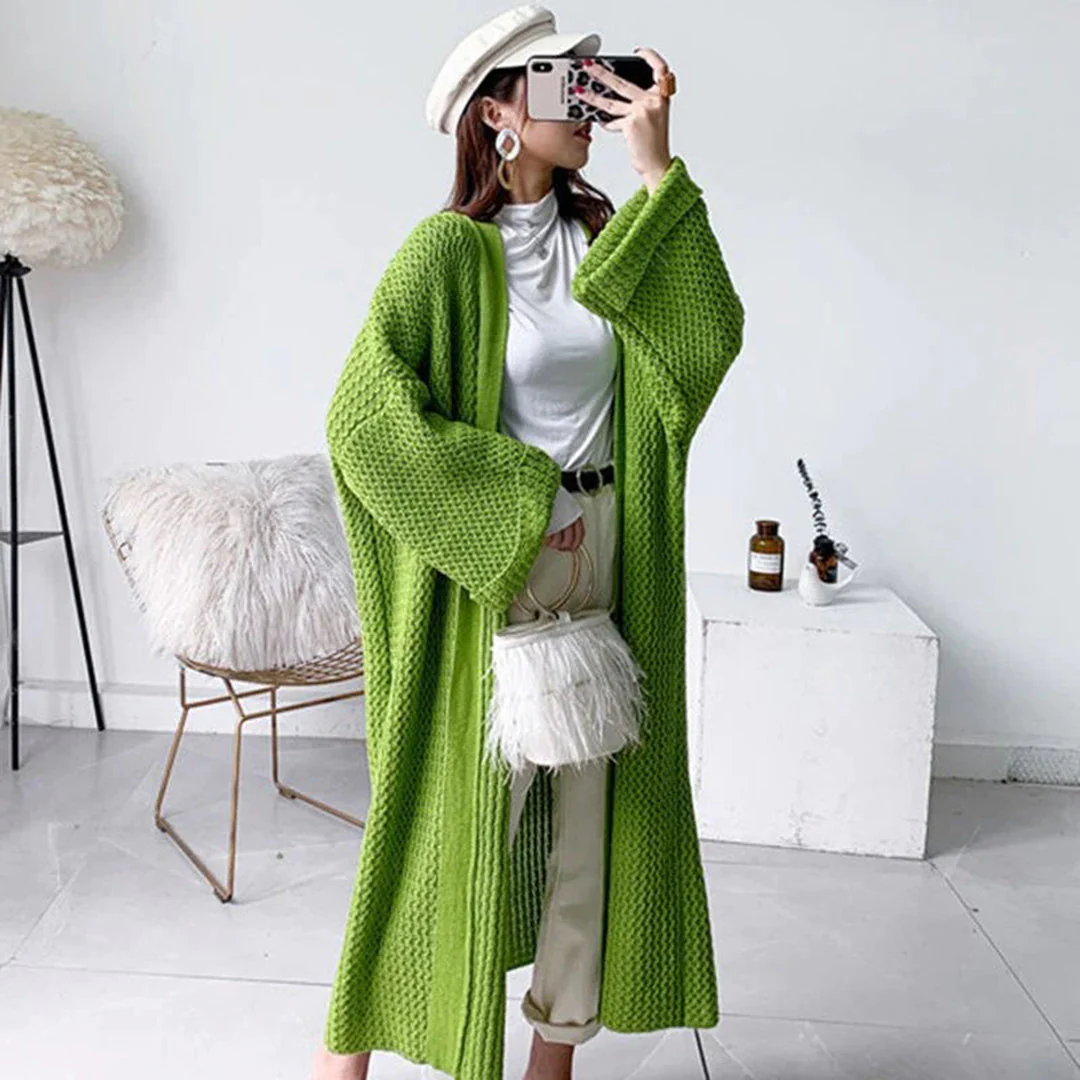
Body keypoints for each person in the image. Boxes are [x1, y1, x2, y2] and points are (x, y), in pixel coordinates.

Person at [314, 5, 745, 1080]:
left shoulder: (608, 240)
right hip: (506, 561)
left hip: (612, 549)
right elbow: (363, 422)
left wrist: (656, 171)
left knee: (592, 825)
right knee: (457, 814)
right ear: (497, 113)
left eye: (589, 82)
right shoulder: (445, 255)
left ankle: (553, 1060)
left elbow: (705, 341)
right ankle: (344, 1060)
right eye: (559, 83)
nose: (584, 102)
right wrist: (521, 504)